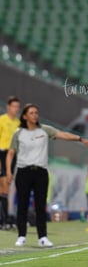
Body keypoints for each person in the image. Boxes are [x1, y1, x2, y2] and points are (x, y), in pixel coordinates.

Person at [6, 103, 88, 247]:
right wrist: (9, 171)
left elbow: (63, 134)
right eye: (32, 113)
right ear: (25, 116)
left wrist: (80, 139)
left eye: (36, 113)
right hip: (23, 172)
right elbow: (10, 153)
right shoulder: (18, 133)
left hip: (40, 172)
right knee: (22, 205)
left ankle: (43, 237)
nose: (35, 115)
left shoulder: (45, 130)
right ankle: (21, 236)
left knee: (41, 206)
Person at [0, 96, 20, 229]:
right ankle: (4, 220)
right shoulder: (1, 120)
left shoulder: (18, 123)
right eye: (14, 106)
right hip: (1, 153)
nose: (16, 109)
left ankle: (5, 219)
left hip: (12, 155)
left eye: (18, 107)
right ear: (8, 107)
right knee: (2, 185)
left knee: (7, 186)